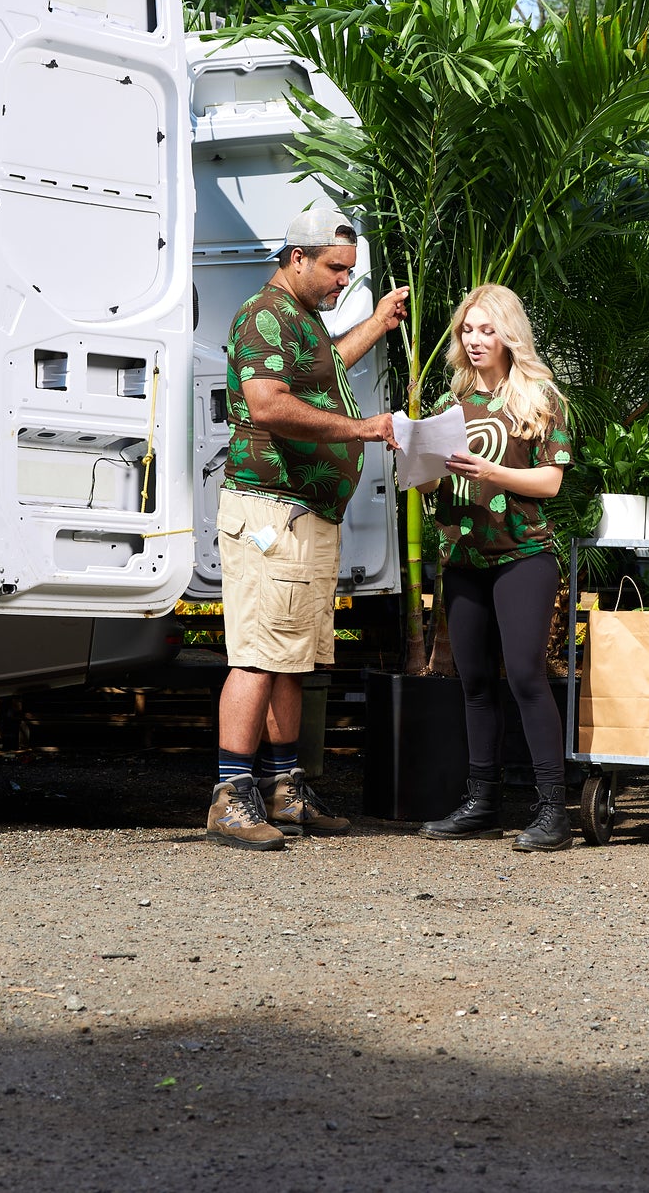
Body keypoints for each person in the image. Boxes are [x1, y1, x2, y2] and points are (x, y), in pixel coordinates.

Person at [206, 209, 407, 850]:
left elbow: (323, 374)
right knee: (259, 654)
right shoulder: (262, 315)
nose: (343, 281)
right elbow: (266, 404)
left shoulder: (304, 321)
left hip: (306, 513)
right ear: (297, 257)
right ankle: (230, 796)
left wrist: (376, 324)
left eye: (350, 271)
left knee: (293, 658)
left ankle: (283, 789)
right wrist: (361, 429)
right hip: (269, 512)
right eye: (334, 269)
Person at [418, 284, 574, 853]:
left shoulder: (537, 399)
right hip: (462, 558)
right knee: (474, 681)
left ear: (509, 335)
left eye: (487, 330)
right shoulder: (450, 407)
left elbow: (551, 482)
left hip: (523, 555)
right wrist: (419, 464)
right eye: (468, 330)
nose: (475, 339)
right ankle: (482, 801)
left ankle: (553, 810)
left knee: (527, 676)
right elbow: (432, 481)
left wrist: (492, 473)